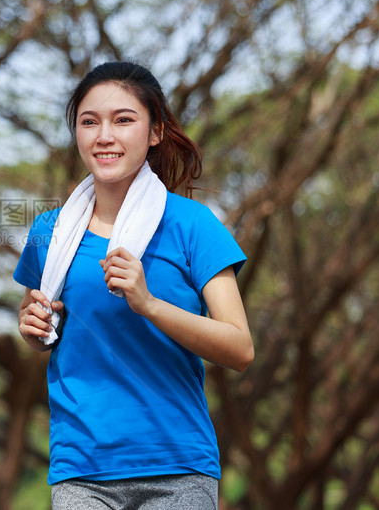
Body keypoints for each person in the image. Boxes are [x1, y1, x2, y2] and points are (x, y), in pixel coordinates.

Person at [13, 61, 254, 509]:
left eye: (123, 120)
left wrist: (149, 303)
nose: (105, 135)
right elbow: (43, 327)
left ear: (155, 131)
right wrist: (31, 330)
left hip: (177, 466)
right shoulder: (51, 232)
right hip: (80, 468)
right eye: (90, 122)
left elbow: (240, 349)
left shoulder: (192, 224)